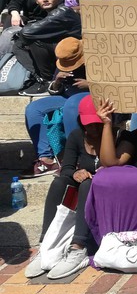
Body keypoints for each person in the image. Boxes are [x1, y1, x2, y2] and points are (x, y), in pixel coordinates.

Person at [24, 95, 104, 280]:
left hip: (103, 191)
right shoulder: (77, 136)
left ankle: (79, 247)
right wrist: (75, 172)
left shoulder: (115, 136)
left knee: (87, 185)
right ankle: (46, 245)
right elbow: (67, 166)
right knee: (60, 182)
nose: (93, 128)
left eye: (97, 123)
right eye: (89, 124)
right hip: (83, 184)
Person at [23, 38, 89, 177]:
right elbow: (54, 90)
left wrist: (90, 84)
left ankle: (73, 160)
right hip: (66, 96)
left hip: (89, 95)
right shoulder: (64, 57)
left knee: (71, 106)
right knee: (33, 109)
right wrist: (57, 82)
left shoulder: (95, 58)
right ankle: (46, 159)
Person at [14, 0, 81, 96]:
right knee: (21, 43)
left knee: (33, 41)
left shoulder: (61, 12)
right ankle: (40, 78)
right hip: (64, 53)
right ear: (36, 0)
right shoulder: (54, 12)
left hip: (75, 56)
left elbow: (26, 33)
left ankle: (46, 80)